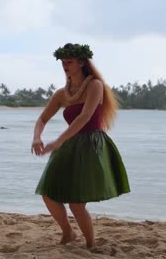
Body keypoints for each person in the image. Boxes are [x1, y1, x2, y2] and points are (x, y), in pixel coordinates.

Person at [31, 43, 130, 248]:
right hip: (69, 145)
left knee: (76, 203)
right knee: (48, 194)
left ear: (82, 62)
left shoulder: (95, 85)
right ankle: (68, 232)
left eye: (69, 62)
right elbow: (42, 119)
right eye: (63, 62)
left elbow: (84, 117)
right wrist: (37, 137)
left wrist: (58, 141)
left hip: (91, 146)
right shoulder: (61, 94)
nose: (65, 66)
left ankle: (91, 244)